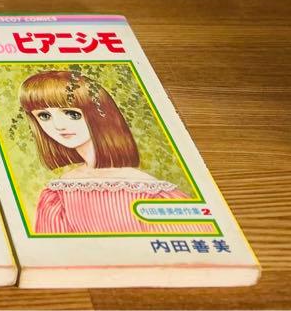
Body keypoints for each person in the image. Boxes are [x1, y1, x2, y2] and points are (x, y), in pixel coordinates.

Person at [19, 70, 216, 234]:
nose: (58, 125)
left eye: (72, 114)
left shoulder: (150, 191)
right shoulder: (58, 193)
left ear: (100, 114)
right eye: (44, 116)